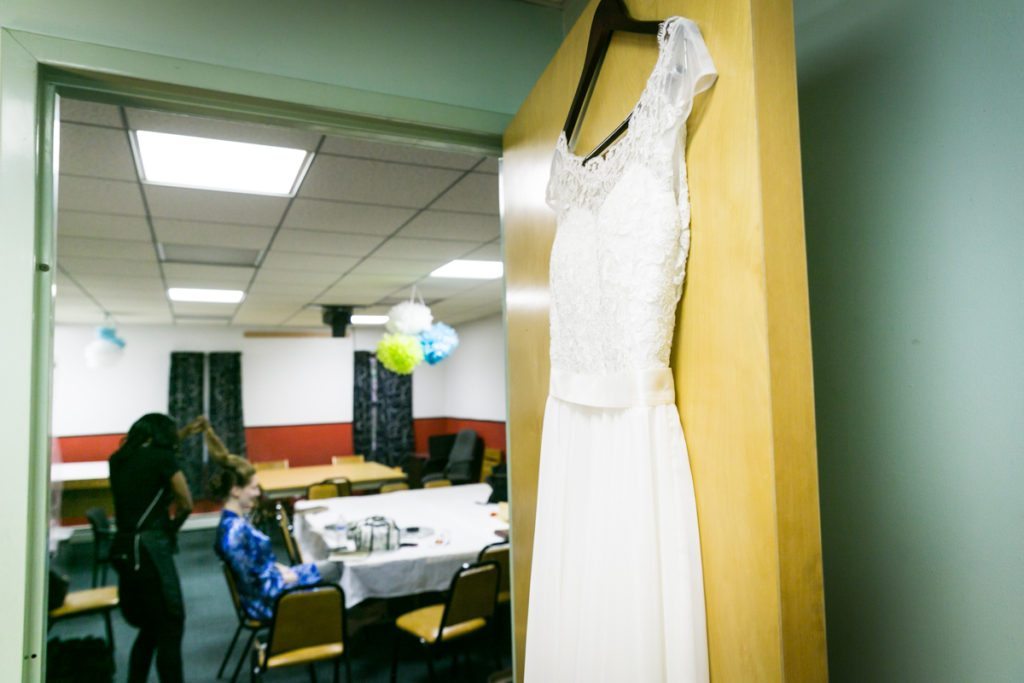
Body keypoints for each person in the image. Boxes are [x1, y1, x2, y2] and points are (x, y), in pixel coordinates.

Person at [204, 418, 341, 621]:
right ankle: (339, 626)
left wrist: (281, 570)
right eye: (253, 487)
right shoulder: (234, 534)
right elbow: (259, 587)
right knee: (337, 572)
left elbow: (255, 568)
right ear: (235, 490)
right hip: (271, 601)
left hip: (274, 585)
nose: (258, 493)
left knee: (334, 566)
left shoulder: (233, 523)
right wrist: (293, 577)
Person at [108, 413, 204, 683]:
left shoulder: (118, 460)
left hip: (124, 548)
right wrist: (172, 528)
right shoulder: (164, 459)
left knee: (149, 628)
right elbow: (185, 502)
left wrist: (185, 432)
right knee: (171, 626)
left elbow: (149, 459)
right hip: (152, 551)